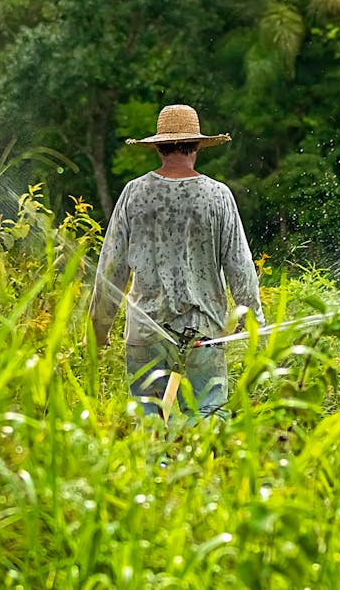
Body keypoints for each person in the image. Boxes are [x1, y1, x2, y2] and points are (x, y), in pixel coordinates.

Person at [90, 104, 265, 419]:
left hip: (145, 334)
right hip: (202, 335)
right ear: (197, 146)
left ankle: (153, 466)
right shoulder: (218, 196)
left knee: (149, 427)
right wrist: (252, 323)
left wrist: (99, 331)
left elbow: (110, 270)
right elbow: (241, 269)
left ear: (158, 147)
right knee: (206, 422)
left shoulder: (134, 194)